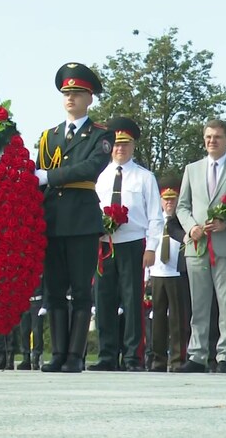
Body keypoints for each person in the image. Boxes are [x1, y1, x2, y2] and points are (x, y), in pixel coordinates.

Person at [34, 62, 115, 373]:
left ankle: (76, 356)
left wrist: (49, 177)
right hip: (52, 219)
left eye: (78, 93)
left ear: (89, 98)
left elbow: (89, 169)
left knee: (81, 289)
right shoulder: (48, 137)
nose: (71, 98)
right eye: (67, 93)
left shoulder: (100, 135)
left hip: (81, 219)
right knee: (53, 289)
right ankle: (58, 353)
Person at [175, 119, 226, 373]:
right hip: (197, 246)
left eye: (218, 137)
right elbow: (182, 205)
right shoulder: (192, 169)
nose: (212, 141)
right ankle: (197, 355)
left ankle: (225, 356)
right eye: (209, 137)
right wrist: (191, 227)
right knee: (198, 304)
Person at [90, 117, 163, 372]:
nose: (120, 148)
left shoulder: (144, 177)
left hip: (132, 243)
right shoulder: (99, 175)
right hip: (104, 244)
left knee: (133, 301)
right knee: (103, 298)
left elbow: (156, 214)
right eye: (117, 144)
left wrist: (152, 247)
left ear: (133, 146)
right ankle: (107, 354)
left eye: (126, 144)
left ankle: (133, 356)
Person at [148, 177, 189, 372]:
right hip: (157, 272)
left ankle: (178, 359)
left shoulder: (183, 222)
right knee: (157, 320)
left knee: (178, 320)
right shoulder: (155, 221)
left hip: (176, 273)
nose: (169, 203)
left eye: (173, 199)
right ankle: (157, 360)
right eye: (166, 199)